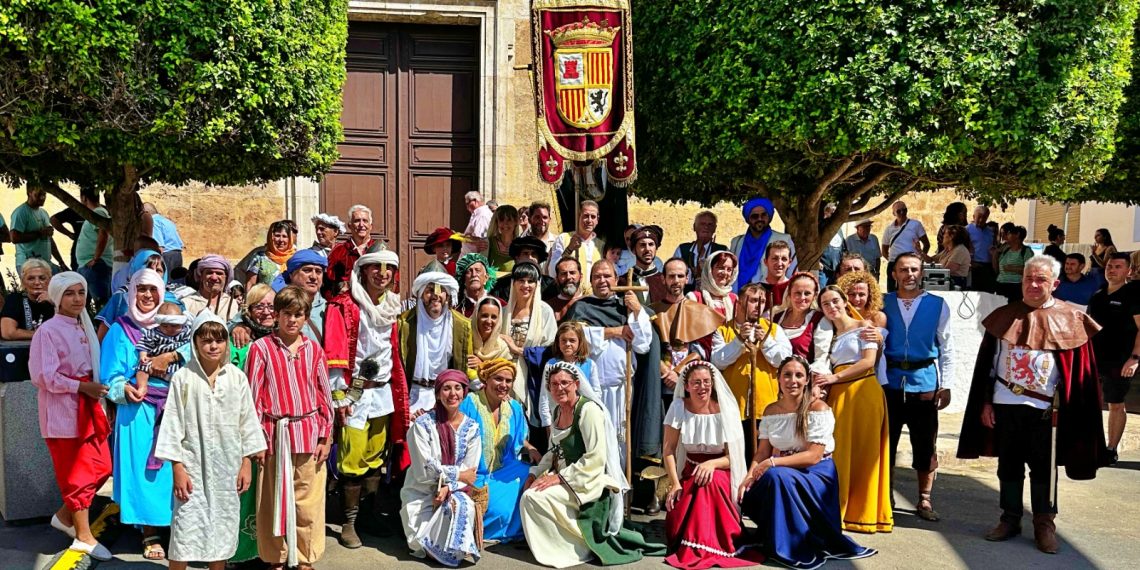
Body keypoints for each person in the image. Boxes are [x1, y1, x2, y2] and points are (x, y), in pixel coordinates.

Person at [958, 255, 1107, 554]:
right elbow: (988, 365)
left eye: (1041, 279)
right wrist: (985, 402)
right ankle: (1010, 518)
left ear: (1055, 283)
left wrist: (1070, 406)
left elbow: (1079, 373)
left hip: (1047, 411)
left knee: (1044, 469)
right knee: (1008, 465)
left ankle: (1044, 523)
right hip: (1005, 404)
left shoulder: (1071, 319)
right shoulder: (1004, 316)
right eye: (1029, 278)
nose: (1034, 284)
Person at [737, 355, 876, 569]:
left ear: (807, 380)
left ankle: (788, 545)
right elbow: (762, 451)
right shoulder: (770, 411)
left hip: (816, 473)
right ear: (779, 379)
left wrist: (772, 464)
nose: (793, 380)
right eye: (787, 375)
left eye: (799, 375)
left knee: (775, 476)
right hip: (783, 470)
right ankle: (777, 533)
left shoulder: (818, 408)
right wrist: (749, 475)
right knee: (755, 487)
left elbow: (814, 456)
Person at [520, 363, 664, 568]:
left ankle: (578, 547)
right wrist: (535, 473)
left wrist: (559, 478)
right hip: (565, 476)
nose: (559, 388)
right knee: (530, 492)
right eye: (554, 384)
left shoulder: (588, 411)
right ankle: (560, 545)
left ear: (576, 384)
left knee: (534, 498)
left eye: (564, 383)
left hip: (587, 481)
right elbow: (554, 451)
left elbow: (595, 457)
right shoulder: (557, 412)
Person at [154, 311, 267, 569]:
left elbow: (247, 420)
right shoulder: (183, 378)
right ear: (194, 342)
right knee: (184, 530)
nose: (213, 346)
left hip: (228, 467)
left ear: (226, 342)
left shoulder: (236, 378)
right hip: (192, 467)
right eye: (206, 340)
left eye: (219, 340)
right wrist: (178, 468)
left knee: (223, 528)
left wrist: (246, 462)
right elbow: (172, 425)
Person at [324, 248, 411, 549]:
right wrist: (341, 397)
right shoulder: (344, 305)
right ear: (363, 270)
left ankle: (368, 516)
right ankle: (348, 522)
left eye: (388, 268)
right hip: (357, 388)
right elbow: (334, 353)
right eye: (376, 267)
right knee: (352, 455)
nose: (383, 273)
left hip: (383, 390)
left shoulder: (392, 307)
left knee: (376, 456)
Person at [246, 285, 334, 570]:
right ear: (276, 315)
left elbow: (324, 394)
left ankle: (305, 557)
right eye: (287, 314)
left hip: (308, 431)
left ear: (306, 318)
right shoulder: (261, 349)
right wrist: (256, 439)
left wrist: (326, 436)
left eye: (298, 315)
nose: (292, 320)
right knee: (273, 500)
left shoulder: (314, 350)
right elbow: (253, 397)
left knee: (307, 500)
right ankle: (276, 556)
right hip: (275, 434)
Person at [30, 272, 114, 561]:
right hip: (64, 413)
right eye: (70, 293)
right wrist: (82, 386)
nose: (77, 298)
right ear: (57, 298)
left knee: (102, 466)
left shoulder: (83, 327)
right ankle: (82, 536)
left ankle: (65, 517)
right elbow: (43, 376)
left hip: (89, 406)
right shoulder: (48, 331)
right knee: (77, 474)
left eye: (81, 292)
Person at [99, 268, 177, 560]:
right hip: (138, 411)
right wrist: (123, 389)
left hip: (173, 408)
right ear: (131, 292)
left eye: (152, 290)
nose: (146, 296)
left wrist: (170, 356)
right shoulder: (121, 329)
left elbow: (196, 349)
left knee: (174, 471)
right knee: (144, 472)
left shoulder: (175, 322)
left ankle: (173, 525)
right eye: (141, 289)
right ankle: (149, 532)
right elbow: (110, 375)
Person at [661, 361, 759, 569]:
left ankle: (706, 544)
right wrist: (675, 484)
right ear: (686, 386)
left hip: (721, 471)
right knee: (681, 510)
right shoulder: (678, 407)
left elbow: (735, 455)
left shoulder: (725, 408)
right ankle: (699, 540)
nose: (702, 387)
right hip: (690, 471)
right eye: (695, 383)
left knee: (709, 482)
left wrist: (712, 464)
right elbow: (668, 450)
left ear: (713, 383)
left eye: (706, 381)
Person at [561, 260, 658, 465]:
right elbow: (573, 339)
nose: (602, 280)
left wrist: (638, 310)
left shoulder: (625, 307)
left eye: (607, 276)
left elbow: (643, 345)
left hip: (622, 390)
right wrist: (614, 332)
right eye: (597, 276)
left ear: (616, 279)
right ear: (590, 281)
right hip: (590, 390)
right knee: (593, 440)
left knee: (620, 443)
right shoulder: (581, 307)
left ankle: (621, 494)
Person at [882, 253, 953, 521]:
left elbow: (947, 347)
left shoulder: (937, 304)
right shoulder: (883, 302)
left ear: (921, 273)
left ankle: (924, 498)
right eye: (903, 270)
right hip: (890, 381)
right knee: (886, 443)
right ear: (894, 274)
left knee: (924, 443)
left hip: (924, 382)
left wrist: (945, 385)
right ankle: (884, 495)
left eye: (913, 269)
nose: (909, 274)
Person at [816, 286, 893, 533]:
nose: (832, 307)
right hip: (839, 397)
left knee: (864, 453)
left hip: (862, 392)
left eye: (835, 301)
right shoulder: (830, 336)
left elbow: (868, 362)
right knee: (840, 453)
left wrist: (833, 379)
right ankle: (839, 510)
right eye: (826, 304)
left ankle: (863, 513)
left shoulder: (865, 327)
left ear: (844, 301)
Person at [399, 369, 483, 566]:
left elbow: (470, 470)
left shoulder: (472, 428)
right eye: (446, 388)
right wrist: (458, 474)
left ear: (465, 392)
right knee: (419, 545)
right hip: (421, 490)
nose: (452, 393)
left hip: (454, 490)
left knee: (461, 506)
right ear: (437, 394)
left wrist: (449, 487)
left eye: (458, 388)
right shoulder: (422, 425)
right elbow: (424, 470)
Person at [460, 359, 541, 543]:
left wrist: (531, 448)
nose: (503, 385)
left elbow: (520, 438)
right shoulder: (469, 404)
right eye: (498, 379)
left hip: (504, 468)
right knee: (501, 512)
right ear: (486, 379)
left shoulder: (514, 408)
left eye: (508, 380)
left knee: (533, 476)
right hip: (474, 474)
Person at [710, 283, 792, 457]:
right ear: (739, 303)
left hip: (767, 406)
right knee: (738, 456)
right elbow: (718, 361)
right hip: (735, 407)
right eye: (753, 301)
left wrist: (767, 341)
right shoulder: (724, 330)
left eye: (762, 301)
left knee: (764, 457)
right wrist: (738, 340)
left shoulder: (774, 329)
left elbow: (783, 361)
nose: (759, 305)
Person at [1086, 253, 1140, 464]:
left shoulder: (1133, 295)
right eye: (1109, 266)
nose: (1112, 269)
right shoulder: (1098, 296)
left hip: (1121, 360)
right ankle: (1091, 445)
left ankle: (1111, 449)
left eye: (1118, 266)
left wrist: (1135, 358)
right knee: (1090, 403)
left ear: (1128, 271)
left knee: (1115, 404)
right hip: (1095, 358)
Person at [398, 264, 473, 413]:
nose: (436, 295)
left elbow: (466, 365)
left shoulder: (462, 326)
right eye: (430, 290)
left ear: (448, 294)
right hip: (412, 395)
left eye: (441, 290)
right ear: (420, 293)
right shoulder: (403, 323)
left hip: (446, 397)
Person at [499, 262, 557, 428]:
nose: (526, 285)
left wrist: (519, 350)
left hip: (533, 376)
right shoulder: (503, 312)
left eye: (530, 281)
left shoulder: (545, 311)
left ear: (537, 284)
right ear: (513, 283)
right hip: (505, 374)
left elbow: (551, 349)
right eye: (521, 280)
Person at [540, 322, 602, 429]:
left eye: (572, 340)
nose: (567, 344)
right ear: (558, 343)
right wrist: (547, 423)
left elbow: (596, 394)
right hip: (559, 419)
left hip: (583, 417)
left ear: (580, 342)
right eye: (563, 340)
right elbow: (545, 396)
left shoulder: (589, 365)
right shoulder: (551, 365)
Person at [730, 197, 796, 291]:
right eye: (755, 216)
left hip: (772, 294)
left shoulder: (784, 239)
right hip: (739, 295)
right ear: (748, 219)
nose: (759, 219)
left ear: (769, 217)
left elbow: (791, 271)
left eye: (763, 215)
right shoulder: (736, 242)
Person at [773, 272, 833, 373]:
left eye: (807, 293)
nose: (802, 298)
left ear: (814, 296)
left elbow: (821, 360)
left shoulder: (819, 320)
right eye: (797, 293)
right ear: (789, 294)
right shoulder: (776, 317)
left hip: (803, 383)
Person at [133, 303, 191, 398]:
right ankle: (142, 387)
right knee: (142, 368)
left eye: (174, 326)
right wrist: (143, 356)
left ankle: (176, 396)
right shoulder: (154, 333)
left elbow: (193, 344)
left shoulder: (186, 332)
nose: (169, 329)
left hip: (177, 365)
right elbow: (144, 344)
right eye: (165, 326)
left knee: (183, 377)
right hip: (154, 361)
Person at [324, 205, 377, 298]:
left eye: (365, 221)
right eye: (357, 221)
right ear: (350, 226)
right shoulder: (338, 251)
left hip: (375, 305)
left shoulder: (380, 250)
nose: (361, 225)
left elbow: (393, 280)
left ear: (371, 226)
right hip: (347, 306)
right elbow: (328, 283)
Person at [73, 188, 114, 302]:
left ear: (84, 198)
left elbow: (103, 235)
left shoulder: (99, 212)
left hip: (95, 265)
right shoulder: (95, 213)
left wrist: (96, 258)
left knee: (101, 302)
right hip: (89, 265)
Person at [548, 200, 605, 280]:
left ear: (597, 220)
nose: (589, 220)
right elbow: (552, 272)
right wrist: (569, 249)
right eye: (586, 216)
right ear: (578, 216)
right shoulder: (564, 238)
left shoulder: (601, 246)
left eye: (593, 217)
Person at [10, 183, 62, 270]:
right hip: (28, 265)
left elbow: (49, 239)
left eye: (44, 194)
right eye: (39, 194)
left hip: (45, 264)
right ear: (29, 192)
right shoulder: (21, 212)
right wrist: (39, 233)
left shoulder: (44, 213)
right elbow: (14, 238)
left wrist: (61, 262)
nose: (42, 197)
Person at [1, 258, 54, 340]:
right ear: (23, 282)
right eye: (31, 278)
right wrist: (44, 334)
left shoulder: (59, 300)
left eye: (42, 278)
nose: (37, 282)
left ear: (50, 280)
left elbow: (70, 330)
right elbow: (8, 332)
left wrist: (54, 303)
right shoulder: (15, 299)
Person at [881, 201, 929, 291]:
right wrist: (894, 260)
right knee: (892, 291)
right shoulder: (889, 229)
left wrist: (920, 259)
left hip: (912, 263)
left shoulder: (915, 225)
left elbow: (926, 244)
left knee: (912, 289)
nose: (902, 213)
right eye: (899, 211)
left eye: (904, 210)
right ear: (893, 213)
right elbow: (884, 250)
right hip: (893, 264)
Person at [673, 211, 727, 289]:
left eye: (710, 224)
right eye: (702, 224)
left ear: (715, 228)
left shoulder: (722, 251)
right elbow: (675, 273)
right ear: (694, 227)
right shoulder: (682, 250)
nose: (706, 227)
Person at [489, 236, 555, 300]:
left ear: (539, 259)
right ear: (517, 258)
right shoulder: (501, 285)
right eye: (525, 253)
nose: (530, 257)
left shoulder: (550, 285)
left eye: (533, 254)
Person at [618, 225, 668, 304]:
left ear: (656, 248)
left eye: (651, 244)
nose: (647, 249)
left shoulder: (665, 281)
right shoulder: (622, 281)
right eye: (642, 245)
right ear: (634, 250)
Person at [182, 255, 240, 321]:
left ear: (226, 278)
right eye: (209, 273)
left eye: (219, 273)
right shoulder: (187, 303)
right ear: (201, 277)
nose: (214, 278)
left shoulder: (232, 303)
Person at [245, 220, 298, 289]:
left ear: (290, 239)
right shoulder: (259, 258)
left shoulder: (296, 258)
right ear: (271, 237)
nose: (281, 240)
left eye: (284, 236)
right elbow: (250, 284)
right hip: (264, 299)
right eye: (277, 235)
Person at [686, 250, 739, 318]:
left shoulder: (734, 299)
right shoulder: (694, 298)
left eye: (729, 270)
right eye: (721, 268)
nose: (725, 273)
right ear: (709, 269)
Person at [917, 225, 971, 289]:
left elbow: (947, 271)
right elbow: (931, 260)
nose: (943, 236)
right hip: (944, 282)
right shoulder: (948, 250)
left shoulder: (960, 250)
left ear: (951, 236)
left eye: (945, 233)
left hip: (954, 284)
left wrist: (924, 272)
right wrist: (920, 251)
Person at [469, 297, 513, 369]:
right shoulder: (464, 338)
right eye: (484, 316)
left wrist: (483, 365)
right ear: (476, 316)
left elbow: (504, 376)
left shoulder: (502, 348)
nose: (489, 321)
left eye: (494, 317)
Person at [142, 203, 185, 273]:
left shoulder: (154, 222)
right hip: (177, 255)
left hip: (167, 256)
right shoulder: (167, 221)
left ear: (146, 213)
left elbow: (160, 247)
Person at [995, 225, 1032, 302]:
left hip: (1016, 287)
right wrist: (995, 254)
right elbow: (998, 267)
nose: (1006, 236)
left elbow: (1030, 270)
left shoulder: (1026, 251)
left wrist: (1012, 268)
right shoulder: (1005, 250)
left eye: (1009, 234)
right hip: (1001, 285)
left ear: (1017, 235)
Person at [967, 206, 998, 292]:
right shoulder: (967, 230)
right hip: (974, 266)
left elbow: (994, 245)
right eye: (979, 217)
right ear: (974, 217)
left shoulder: (991, 232)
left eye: (984, 217)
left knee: (988, 293)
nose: (981, 220)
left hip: (988, 267)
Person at [456, 253, 497, 318]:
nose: (474, 274)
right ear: (463, 280)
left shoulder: (499, 305)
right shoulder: (455, 306)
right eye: (469, 271)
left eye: (478, 270)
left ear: (486, 278)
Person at [486, 205, 521, 274]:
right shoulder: (489, 243)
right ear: (497, 222)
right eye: (501, 220)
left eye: (509, 220)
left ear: (516, 222)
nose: (505, 224)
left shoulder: (521, 245)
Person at [759, 241, 793, 308]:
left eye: (784, 259)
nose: (779, 263)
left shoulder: (793, 289)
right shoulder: (755, 289)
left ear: (789, 263)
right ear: (765, 262)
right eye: (775, 258)